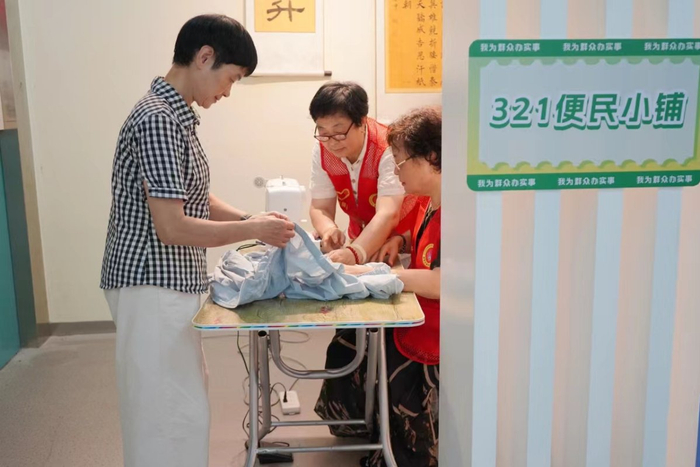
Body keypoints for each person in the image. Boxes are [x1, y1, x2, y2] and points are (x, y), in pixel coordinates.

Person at [99, 15, 295, 467]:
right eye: (231, 79)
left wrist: (250, 218)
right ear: (205, 57)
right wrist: (253, 231)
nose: (227, 92)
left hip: (165, 286)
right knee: (165, 415)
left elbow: (193, 196)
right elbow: (173, 226)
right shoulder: (158, 120)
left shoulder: (176, 117)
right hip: (151, 285)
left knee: (179, 407)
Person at [315, 106, 442, 467]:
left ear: (431, 158)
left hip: (431, 331)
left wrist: (375, 275)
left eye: (400, 162)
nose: (396, 171)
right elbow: (420, 239)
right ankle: (364, 430)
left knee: (367, 347)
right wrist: (401, 240)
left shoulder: (458, 212)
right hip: (416, 315)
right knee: (350, 340)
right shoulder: (430, 202)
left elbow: (441, 282)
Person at [308, 81, 419, 266]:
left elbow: (388, 212)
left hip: (401, 243)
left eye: (339, 132)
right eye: (323, 132)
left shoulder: (386, 145)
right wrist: (328, 230)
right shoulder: (322, 148)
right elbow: (320, 206)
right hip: (359, 239)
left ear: (362, 121)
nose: (331, 142)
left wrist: (355, 253)